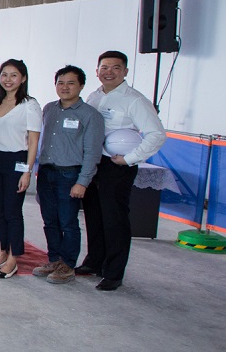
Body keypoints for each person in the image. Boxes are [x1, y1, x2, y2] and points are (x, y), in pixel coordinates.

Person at [79, 50, 166, 291]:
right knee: (93, 215)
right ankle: (94, 262)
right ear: (97, 71)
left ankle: (114, 272)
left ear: (125, 71)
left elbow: (157, 134)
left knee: (114, 219)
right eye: (104, 67)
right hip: (94, 163)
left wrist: (129, 158)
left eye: (115, 68)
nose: (109, 72)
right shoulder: (94, 96)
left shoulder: (134, 100)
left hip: (116, 165)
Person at [33, 65, 105, 284]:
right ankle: (54, 259)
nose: (65, 87)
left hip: (70, 175)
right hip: (46, 172)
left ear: (81, 86)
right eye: (60, 83)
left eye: (70, 83)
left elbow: (93, 152)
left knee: (68, 222)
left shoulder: (90, 115)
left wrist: (82, 182)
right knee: (49, 221)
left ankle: (68, 264)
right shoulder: (49, 109)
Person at [0, 59, 41, 278]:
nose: (8, 79)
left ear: (23, 78)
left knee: (13, 212)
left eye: (14, 75)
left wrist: (27, 171)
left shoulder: (29, 104)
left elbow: (33, 141)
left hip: (17, 161)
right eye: (4, 74)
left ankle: (13, 258)